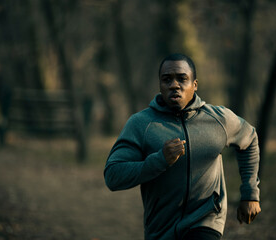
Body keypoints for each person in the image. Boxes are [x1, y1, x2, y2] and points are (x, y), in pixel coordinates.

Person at [104, 53, 261, 240]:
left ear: (194, 85)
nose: (174, 85)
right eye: (167, 79)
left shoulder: (218, 119)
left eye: (182, 78)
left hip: (206, 221)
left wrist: (250, 193)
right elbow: (113, 175)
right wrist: (159, 160)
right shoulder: (141, 124)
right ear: (160, 85)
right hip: (160, 229)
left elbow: (250, 139)